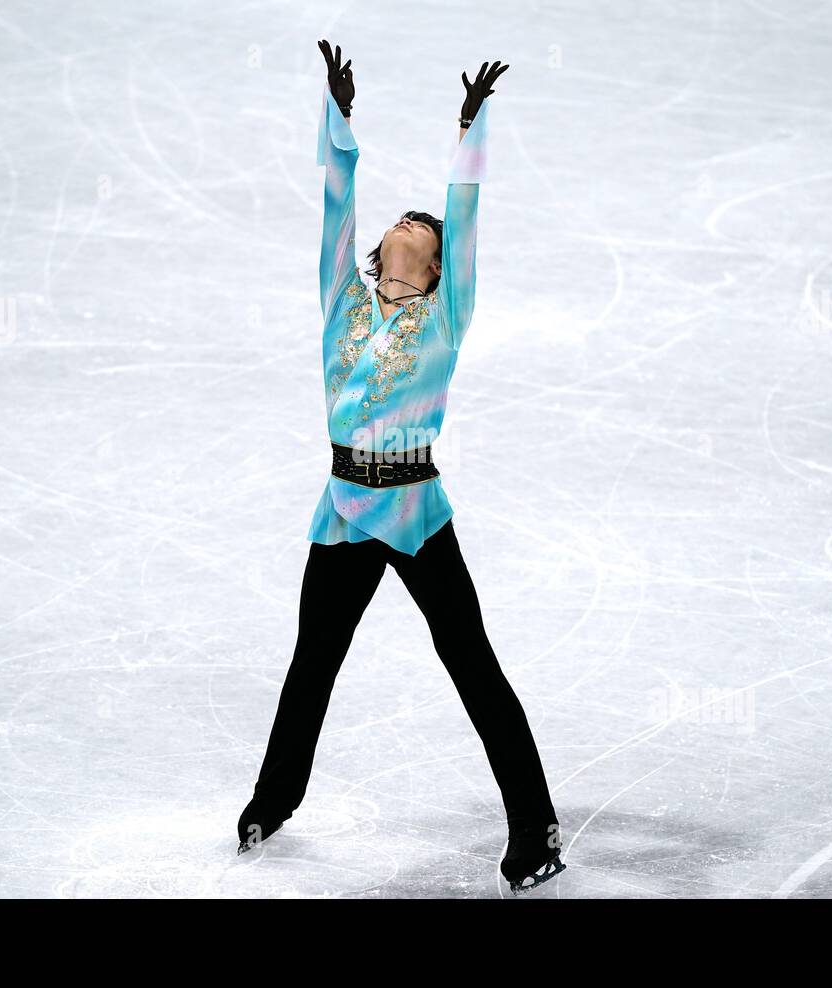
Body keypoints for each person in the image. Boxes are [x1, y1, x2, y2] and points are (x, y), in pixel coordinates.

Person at [236, 40, 565, 895]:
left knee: (472, 666)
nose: (410, 224)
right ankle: (272, 801)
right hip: (342, 508)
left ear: (439, 259)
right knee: (314, 659)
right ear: (381, 250)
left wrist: (470, 127)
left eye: (425, 228)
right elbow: (336, 199)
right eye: (402, 223)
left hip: (416, 511)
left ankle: (535, 830)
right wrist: (340, 120)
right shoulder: (342, 296)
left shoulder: (448, 312)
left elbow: (465, 207)